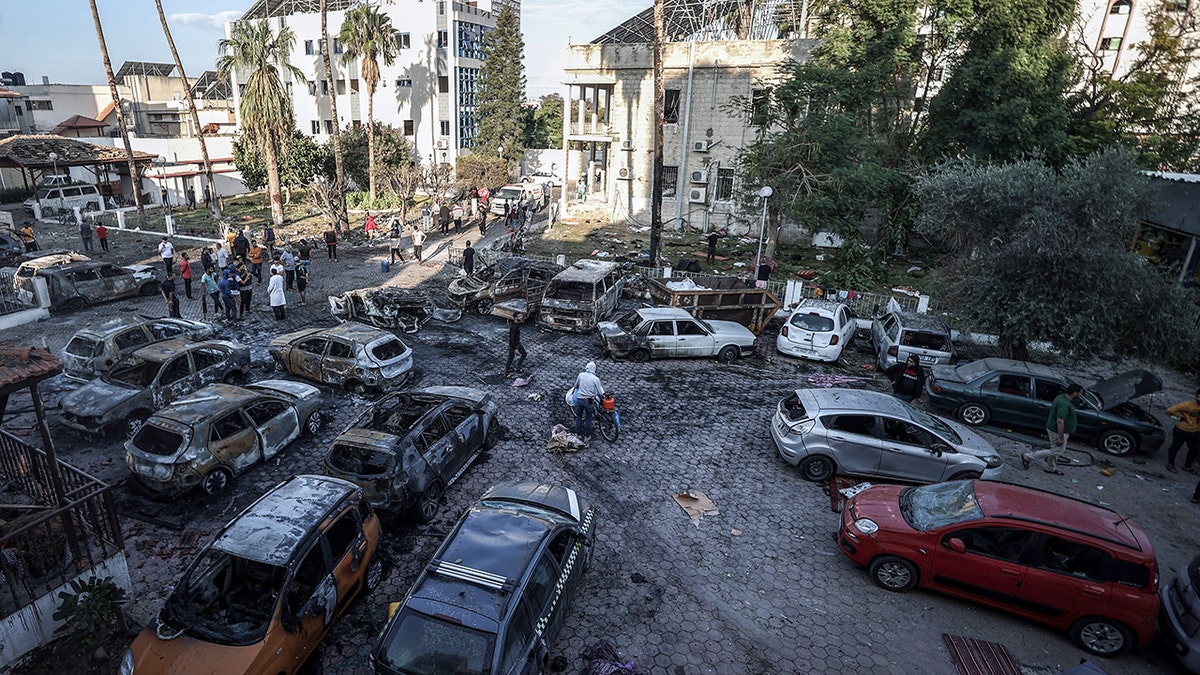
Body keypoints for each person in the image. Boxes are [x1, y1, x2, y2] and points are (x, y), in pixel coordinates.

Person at [1023, 384, 1083, 475]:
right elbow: (1060, 421)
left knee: (1055, 450)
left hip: (1054, 429)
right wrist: (1061, 437)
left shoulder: (1061, 398)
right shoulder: (1064, 404)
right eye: (1080, 393)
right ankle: (1028, 457)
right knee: (1057, 451)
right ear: (1075, 393)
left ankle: (1051, 468)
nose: (1081, 395)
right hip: (1057, 431)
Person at [1166, 389, 1200, 473]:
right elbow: (1170, 410)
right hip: (1182, 429)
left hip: (1195, 430)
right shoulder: (1187, 405)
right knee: (1176, 447)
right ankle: (1170, 464)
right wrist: (1180, 416)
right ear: (1197, 396)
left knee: (1194, 449)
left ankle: (1187, 466)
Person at [573, 361, 605, 444]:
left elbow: (576, 385)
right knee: (588, 418)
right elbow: (600, 392)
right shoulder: (596, 379)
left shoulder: (581, 375)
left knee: (579, 417)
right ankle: (587, 436)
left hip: (580, 399)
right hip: (589, 401)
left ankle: (578, 434)